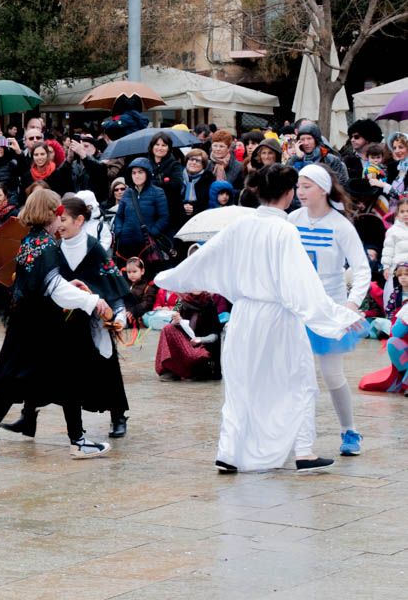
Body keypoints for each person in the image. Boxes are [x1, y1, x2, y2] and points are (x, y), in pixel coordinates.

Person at [154, 164, 364, 473]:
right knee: (298, 380)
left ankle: (229, 452)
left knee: (241, 384)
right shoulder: (285, 230)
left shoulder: (241, 225)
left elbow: (204, 258)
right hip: (279, 316)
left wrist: (168, 277)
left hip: (244, 315)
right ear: (289, 193)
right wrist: (338, 315)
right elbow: (302, 285)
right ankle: (303, 452)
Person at [0, 189, 114, 460]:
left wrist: (67, 285)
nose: (61, 218)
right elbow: (54, 288)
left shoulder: (29, 242)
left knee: (16, 380)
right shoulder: (48, 246)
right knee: (69, 379)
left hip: (23, 322)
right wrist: (92, 300)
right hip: (45, 325)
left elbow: (43, 282)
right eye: (58, 212)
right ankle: (78, 442)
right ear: (52, 213)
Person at [2, 196, 132, 441]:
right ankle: (28, 415)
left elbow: (112, 285)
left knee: (106, 367)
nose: (58, 224)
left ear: (80, 220)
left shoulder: (93, 248)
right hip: (60, 321)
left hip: (92, 319)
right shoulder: (54, 247)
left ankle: (118, 415)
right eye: (57, 219)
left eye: (63, 219)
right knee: (44, 366)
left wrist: (117, 316)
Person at [289, 164, 369, 457]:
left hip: (329, 308)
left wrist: (351, 303)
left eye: (307, 186)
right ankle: (292, 434)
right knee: (293, 373)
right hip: (297, 307)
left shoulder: (340, 225)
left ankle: (350, 429)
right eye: (298, 186)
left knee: (332, 375)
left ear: (323, 189)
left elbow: (361, 269)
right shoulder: (292, 220)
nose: (300, 192)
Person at [113, 158, 170, 264]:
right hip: (125, 244)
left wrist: (153, 231)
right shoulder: (127, 193)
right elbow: (119, 216)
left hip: (146, 245)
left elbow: (164, 218)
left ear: (147, 173)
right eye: (134, 173)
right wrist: (119, 231)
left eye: (140, 172)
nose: (136, 175)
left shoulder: (157, 192)